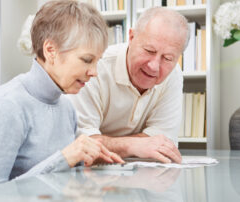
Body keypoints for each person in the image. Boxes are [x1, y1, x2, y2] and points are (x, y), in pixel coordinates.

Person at [0, 0, 123, 188]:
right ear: (51, 51)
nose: (94, 72)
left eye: (97, 61)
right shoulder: (4, 106)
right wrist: (64, 158)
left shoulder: (66, 107)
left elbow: (61, 184)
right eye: (87, 60)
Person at [67, 7, 189, 164]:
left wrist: (110, 143)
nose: (154, 66)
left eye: (167, 58)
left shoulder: (173, 75)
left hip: (142, 176)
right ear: (131, 37)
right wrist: (133, 145)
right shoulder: (95, 68)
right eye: (149, 51)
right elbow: (82, 144)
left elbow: (164, 143)